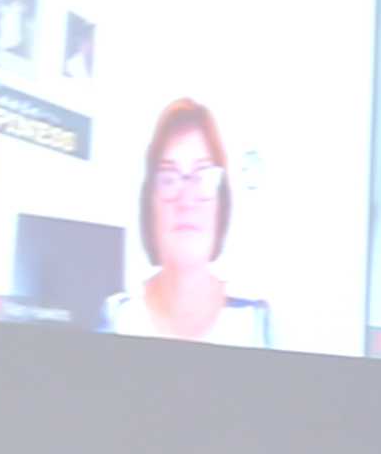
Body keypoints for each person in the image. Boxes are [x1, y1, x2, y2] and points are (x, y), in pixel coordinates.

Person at [98, 96, 273, 344]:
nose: (186, 199)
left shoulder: (256, 321)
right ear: (150, 203)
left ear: (221, 203)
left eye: (203, 176)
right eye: (169, 178)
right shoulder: (118, 317)